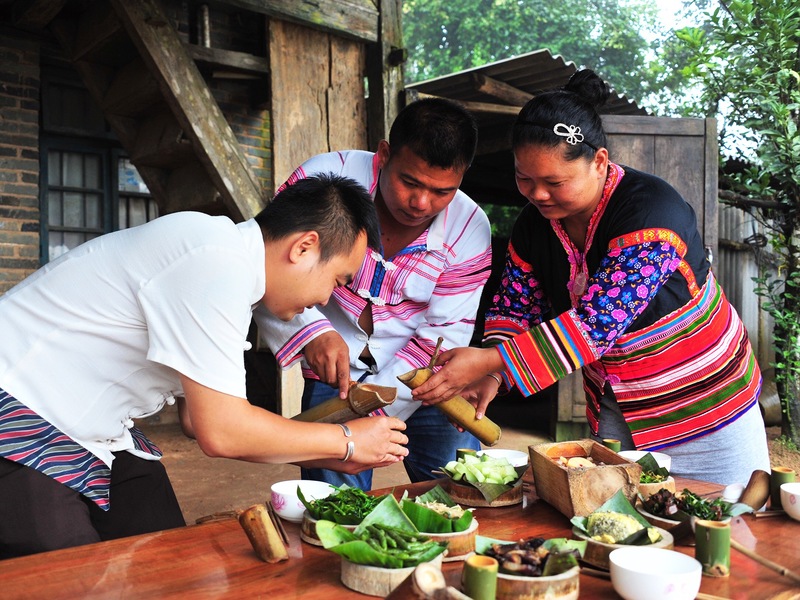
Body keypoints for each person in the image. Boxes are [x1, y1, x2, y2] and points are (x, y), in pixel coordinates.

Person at [0, 174, 408, 559]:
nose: (325, 300)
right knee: (67, 578)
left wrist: (335, 453)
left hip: (89, 431)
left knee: (166, 556)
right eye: (337, 280)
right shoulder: (214, 258)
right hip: (19, 414)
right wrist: (345, 441)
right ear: (303, 247)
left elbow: (197, 420)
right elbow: (221, 431)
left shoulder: (229, 268)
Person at [411, 70, 770, 487]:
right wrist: (493, 374)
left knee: (727, 521)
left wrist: (489, 362)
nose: (536, 194)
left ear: (599, 162)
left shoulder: (652, 211)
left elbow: (598, 324)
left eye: (553, 182)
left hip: (707, 401)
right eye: (524, 178)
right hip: (618, 399)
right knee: (617, 522)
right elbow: (514, 307)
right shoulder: (534, 226)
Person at [255, 98, 492, 489]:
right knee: (332, 502)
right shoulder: (323, 180)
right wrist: (312, 331)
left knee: (466, 488)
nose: (421, 203)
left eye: (442, 192)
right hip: (333, 369)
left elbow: (443, 335)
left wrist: (373, 415)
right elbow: (269, 264)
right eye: (410, 182)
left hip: (425, 376)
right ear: (383, 155)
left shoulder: (470, 229)